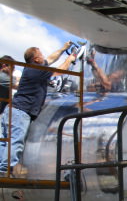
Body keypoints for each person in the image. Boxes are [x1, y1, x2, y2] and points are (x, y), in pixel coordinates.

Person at [0, 42, 76, 176]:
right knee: (16, 140)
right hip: (21, 111)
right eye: (41, 55)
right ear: (36, 59)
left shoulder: (31, 68)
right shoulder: (36, 70)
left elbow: (52, 58)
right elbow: (60, 70)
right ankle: (5, 170)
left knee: (5, 140)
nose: (44, 57)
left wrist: (64, 48)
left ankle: (1, 168)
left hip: (12, 109)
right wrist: (69, 59)